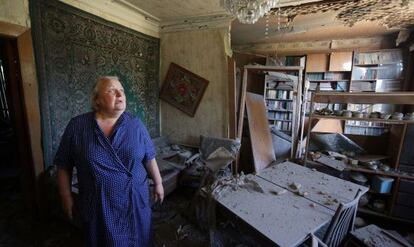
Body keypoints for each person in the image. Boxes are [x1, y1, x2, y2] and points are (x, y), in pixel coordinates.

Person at [55, 76, 164, 247]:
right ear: (97, 100)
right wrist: (66, 196)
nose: (120, 94)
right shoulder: (78, 126)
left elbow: (149, 156)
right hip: (99, 204)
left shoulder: (135, 124)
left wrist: (158, 183)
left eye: (121, 90)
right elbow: (63, 164)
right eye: (112, 90)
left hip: (134, 200)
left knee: (138, 240)